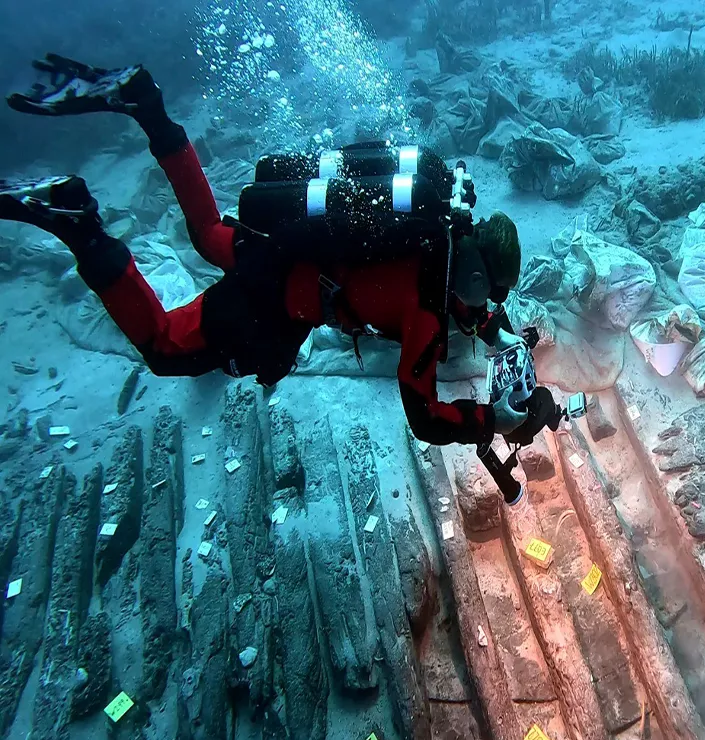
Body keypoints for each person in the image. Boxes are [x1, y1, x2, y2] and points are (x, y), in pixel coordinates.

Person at [0, 54, 530, 446]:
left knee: (208, 233)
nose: (483, 309)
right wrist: (493, 420)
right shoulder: (427, 315)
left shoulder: (438, 226)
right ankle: (81, 225)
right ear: (476, 279)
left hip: (283, 244)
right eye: (488, 298)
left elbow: (471, 308)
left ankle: (151, 111)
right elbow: (426, 417)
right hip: (276, 298)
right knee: (163, 349)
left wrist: (501, 334)